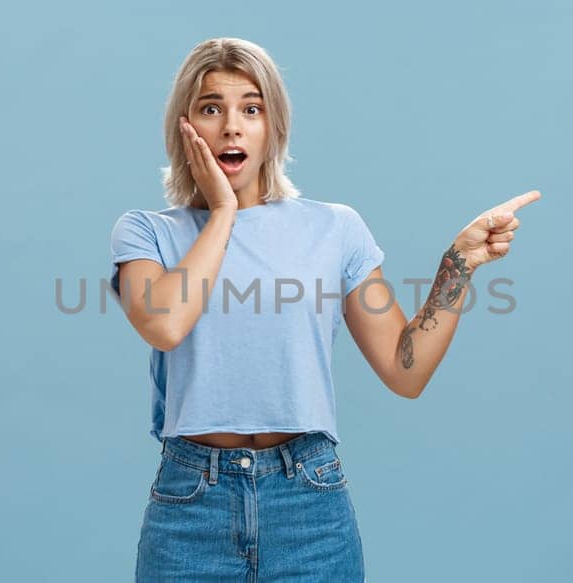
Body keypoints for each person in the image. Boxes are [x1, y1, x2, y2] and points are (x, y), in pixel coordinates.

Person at [109, 37, 541, 582]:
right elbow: (166, 323)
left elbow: (405, 370)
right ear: (185, 125)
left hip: (308, 504)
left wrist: (456, 267)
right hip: (192, 504)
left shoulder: (335, 228)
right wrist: (223, 210)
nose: (231, 127)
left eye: (252, 107)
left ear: (274, 126)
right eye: (211, 107)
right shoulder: (146, 232)